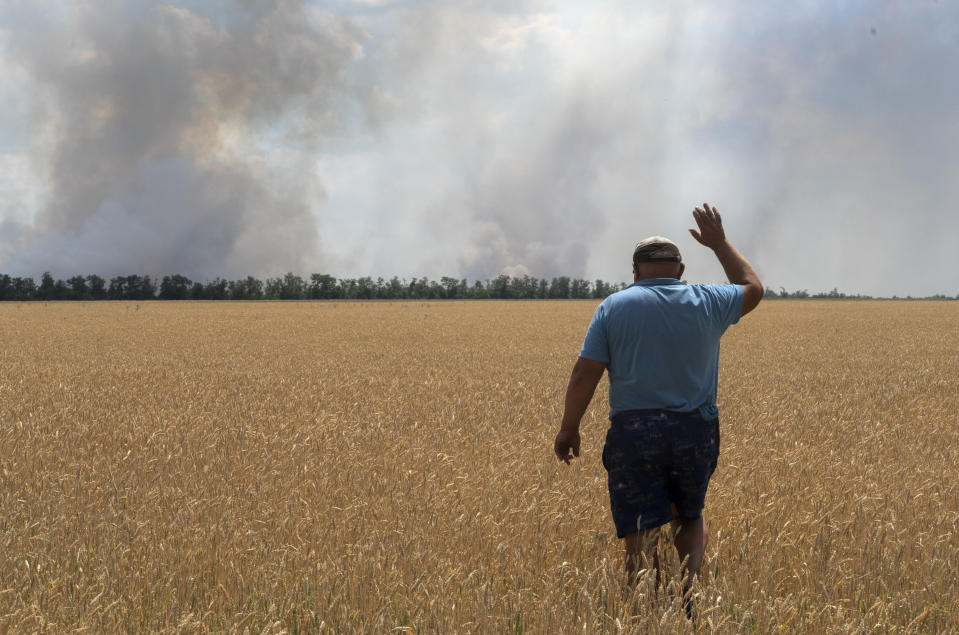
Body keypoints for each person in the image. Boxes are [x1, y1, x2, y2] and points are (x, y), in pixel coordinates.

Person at [553, 203, 763, 606]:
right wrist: (719, 245)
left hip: (634, 434)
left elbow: (585, 373)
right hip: (695, 429)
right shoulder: (709, 300)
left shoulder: (614, 307)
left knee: (639, 526)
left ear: (634, 271)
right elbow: (752, 287)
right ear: (681, 271)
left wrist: (569, 427)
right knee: (689, 513)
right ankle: (687, 593)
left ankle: (642, 604)